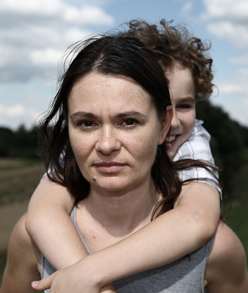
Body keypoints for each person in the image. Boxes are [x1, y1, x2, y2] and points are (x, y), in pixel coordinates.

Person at [1, 34, 247, 293]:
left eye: (128, 121)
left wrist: (88, 274)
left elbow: (198, 216)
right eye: (87, 123)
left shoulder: (217, 249)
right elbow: (42, 211)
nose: (106, 145)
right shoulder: (31, 239)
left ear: (164, 125)